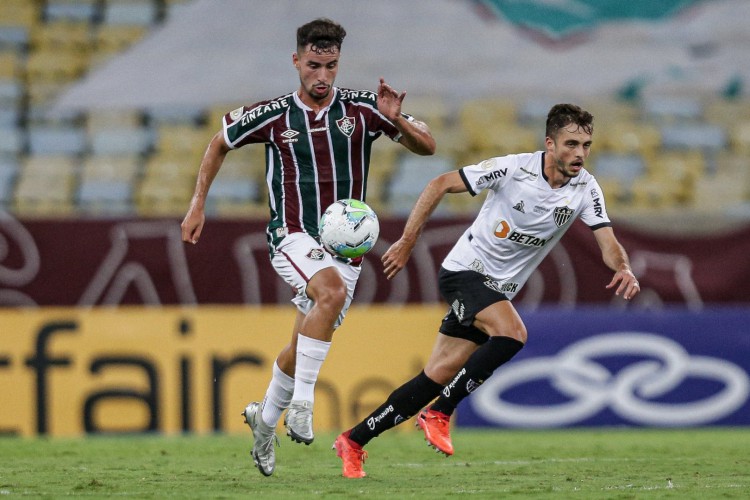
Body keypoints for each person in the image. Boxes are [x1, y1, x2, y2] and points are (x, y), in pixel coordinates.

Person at [181, 18, 435, 477]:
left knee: (302, 344)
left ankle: (263, 420)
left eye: (331, 66)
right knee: (331, 293)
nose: (322, 76)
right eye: (314, 65)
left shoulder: (364, 108)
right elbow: (218, 143)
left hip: (346, 248)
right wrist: (198, 203)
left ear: (339, 64)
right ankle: (302, 404)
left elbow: (428, 146)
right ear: (297, 61)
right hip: (293, 234)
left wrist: (396, 119)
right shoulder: (273, 114)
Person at [332, 103, 641, 478]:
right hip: (464, 271)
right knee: (513, 334)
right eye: (571, 143)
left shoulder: (585, 187)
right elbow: (439, 183)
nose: (579, 154)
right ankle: (440, 412)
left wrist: (623, 266)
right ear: (550, 143)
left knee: (437, 373)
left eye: (586, 145)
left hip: (496, 289)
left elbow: (607, 242)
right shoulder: (513, 168)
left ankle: (354, 439)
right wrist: (407, 241)